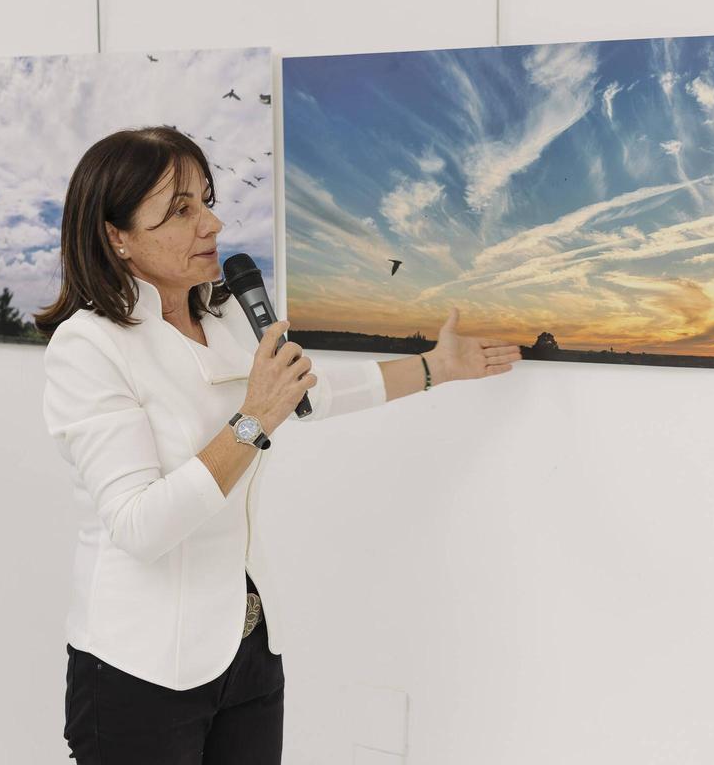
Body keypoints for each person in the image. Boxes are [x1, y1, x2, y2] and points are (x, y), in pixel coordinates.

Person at [34, 126, 521, 763]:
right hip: (140, 669)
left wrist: (437, 367)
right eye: (181, 209)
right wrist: (253, 418)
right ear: (116, 236)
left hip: (247, 654)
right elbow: (139, 526)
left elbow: (313, 391)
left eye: (206, 200)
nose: (212, 223)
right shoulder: (88, 346)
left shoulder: (224, 319)